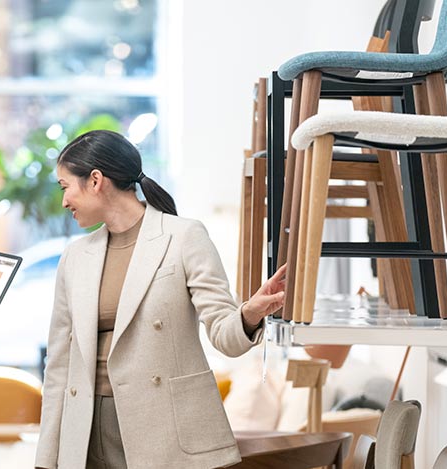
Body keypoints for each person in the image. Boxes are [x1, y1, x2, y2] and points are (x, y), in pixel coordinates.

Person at [34, 130, 287, 469]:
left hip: (164, 428)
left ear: (95, 180)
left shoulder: (183, 236)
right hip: (87, 431)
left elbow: (225, 336)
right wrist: (47, 458)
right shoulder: (75, 256)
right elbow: (59, 365)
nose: (64, 201)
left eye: (66, 187)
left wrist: (248, 315)